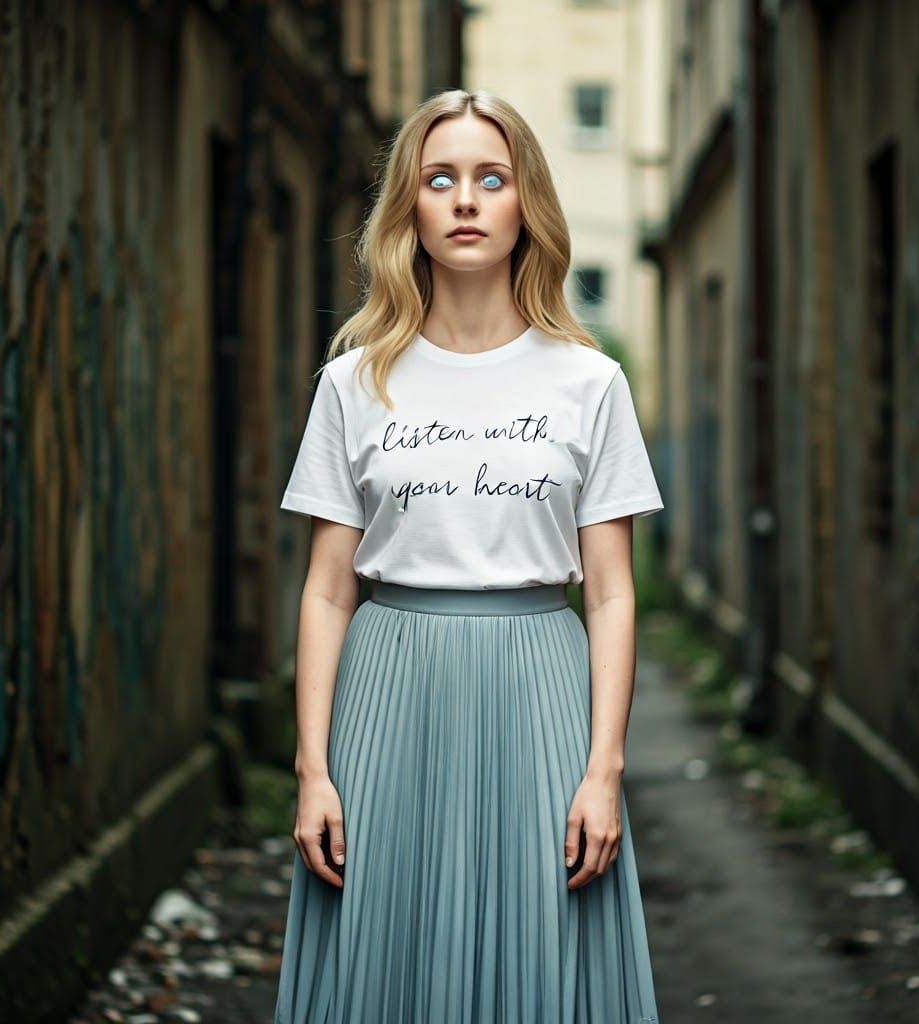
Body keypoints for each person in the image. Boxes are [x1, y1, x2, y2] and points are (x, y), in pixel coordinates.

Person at [273, 88, 663, 1024]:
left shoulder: (590, 382)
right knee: (383, 966)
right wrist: (314, 767)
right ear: (408, 204)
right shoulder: (353, 382)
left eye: (491, 179)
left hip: (540, 689)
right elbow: (328, 590)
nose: (464, 200)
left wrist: (602, 769)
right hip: (387, 693)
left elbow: (610, 593)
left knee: (543, 963)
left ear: (526, 202)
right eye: (438, 178)